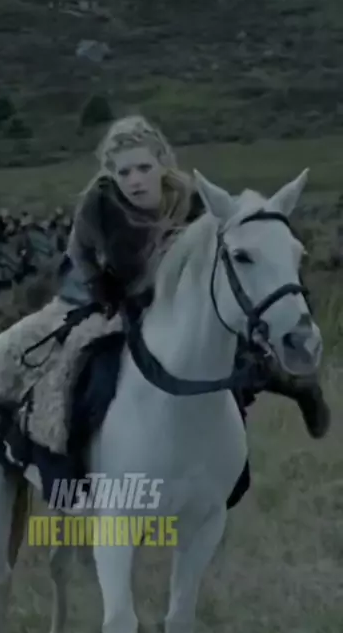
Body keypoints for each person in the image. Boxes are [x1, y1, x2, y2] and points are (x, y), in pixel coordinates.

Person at [58, 114, 330, 443]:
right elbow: (78, 251)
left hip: (177, 296)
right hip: (122, 290)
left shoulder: (190, 199)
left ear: (162, 164)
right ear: (111, 173)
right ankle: (72, 442)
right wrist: (99, 287)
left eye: (144, 168)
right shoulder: (98, 204)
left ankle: (294, 386)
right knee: (95, 361)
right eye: (123, 172)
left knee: (232, 349)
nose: (134, 180)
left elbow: (221, 250)